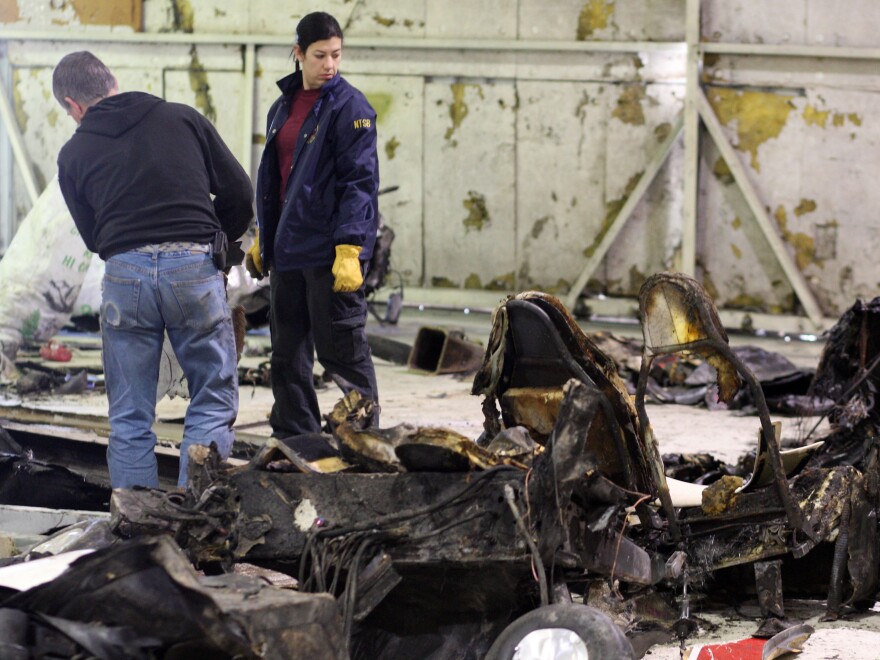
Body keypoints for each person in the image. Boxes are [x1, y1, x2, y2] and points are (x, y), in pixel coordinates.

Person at [53, 51, 254, 489]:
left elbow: (95, 239)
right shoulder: (182, 118)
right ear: (113, 81)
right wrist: (216, 242)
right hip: (194, 267)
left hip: (126, 276)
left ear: (73, 106)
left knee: (129, 415)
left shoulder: (74, 153)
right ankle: (198, 519)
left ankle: (136, 532)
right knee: (212, 399)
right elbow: (240, 192)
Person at [248, 11, 380, 437]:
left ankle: (363, 438)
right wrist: (262, 238)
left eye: (336, 55)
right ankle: (295, 436)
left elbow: (359, 183)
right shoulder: (281, 107)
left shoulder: (351, 108)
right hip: (287, 252)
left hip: (328, 253)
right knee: (287, 355)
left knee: (341, 352)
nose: (330, 65)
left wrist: (350, 248)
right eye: (320, 55)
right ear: (298, 54)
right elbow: (275, 179)